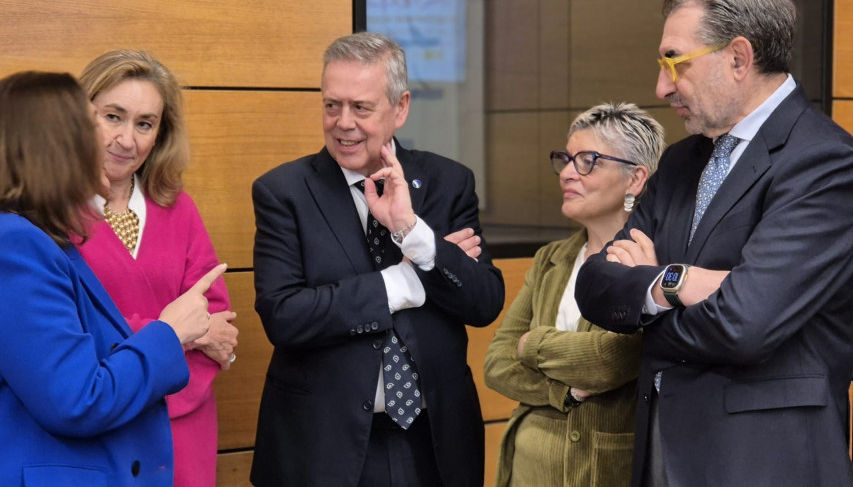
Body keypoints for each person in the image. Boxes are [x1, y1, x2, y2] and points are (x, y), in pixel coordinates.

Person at [575, 0, 853, 487]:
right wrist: (681, 283)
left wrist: (654, 288)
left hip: (764, 460)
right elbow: (595, 284)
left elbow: (745, 325)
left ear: (739, 57)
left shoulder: (826, 162)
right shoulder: (680, 162)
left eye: (673, 63)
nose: (661, 87)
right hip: (660, 445)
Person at [0, 71, 225, 486]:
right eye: (92, 126)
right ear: (53, 147)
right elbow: (77, 399)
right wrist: (170, 333)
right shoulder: (10, 247)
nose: (115, 143)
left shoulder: (21, 237)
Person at [249, 32, 505, 487]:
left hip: (434, 442)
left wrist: (414, 233)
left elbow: (483, 302)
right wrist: (404, 284)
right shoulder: (283, 192)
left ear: (400, 108)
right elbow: (284, 315)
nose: (343, 123)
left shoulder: (448, 182)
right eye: (332, 105)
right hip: (325, 446)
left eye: (361, 108)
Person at [76, 49, 237, 487]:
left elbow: (217, 321)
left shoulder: (179, 209)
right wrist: (177, 333)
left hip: (181, 426)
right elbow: (72, 336)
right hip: (96, 427)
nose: (127, 140)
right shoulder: (53, 214)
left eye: (144, 124)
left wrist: (178, 341)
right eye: (113, 116)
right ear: (78, 115)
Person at [484, 103, 665, 487]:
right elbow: (497, 363)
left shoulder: (648, 263)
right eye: (566, 160)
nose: (567, 173)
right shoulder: (552, 258)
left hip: (603, 471)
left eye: (587, 161)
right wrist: (563, 390)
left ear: (635, 178)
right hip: (527, 468)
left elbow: (609, 362)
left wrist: (532, 344)